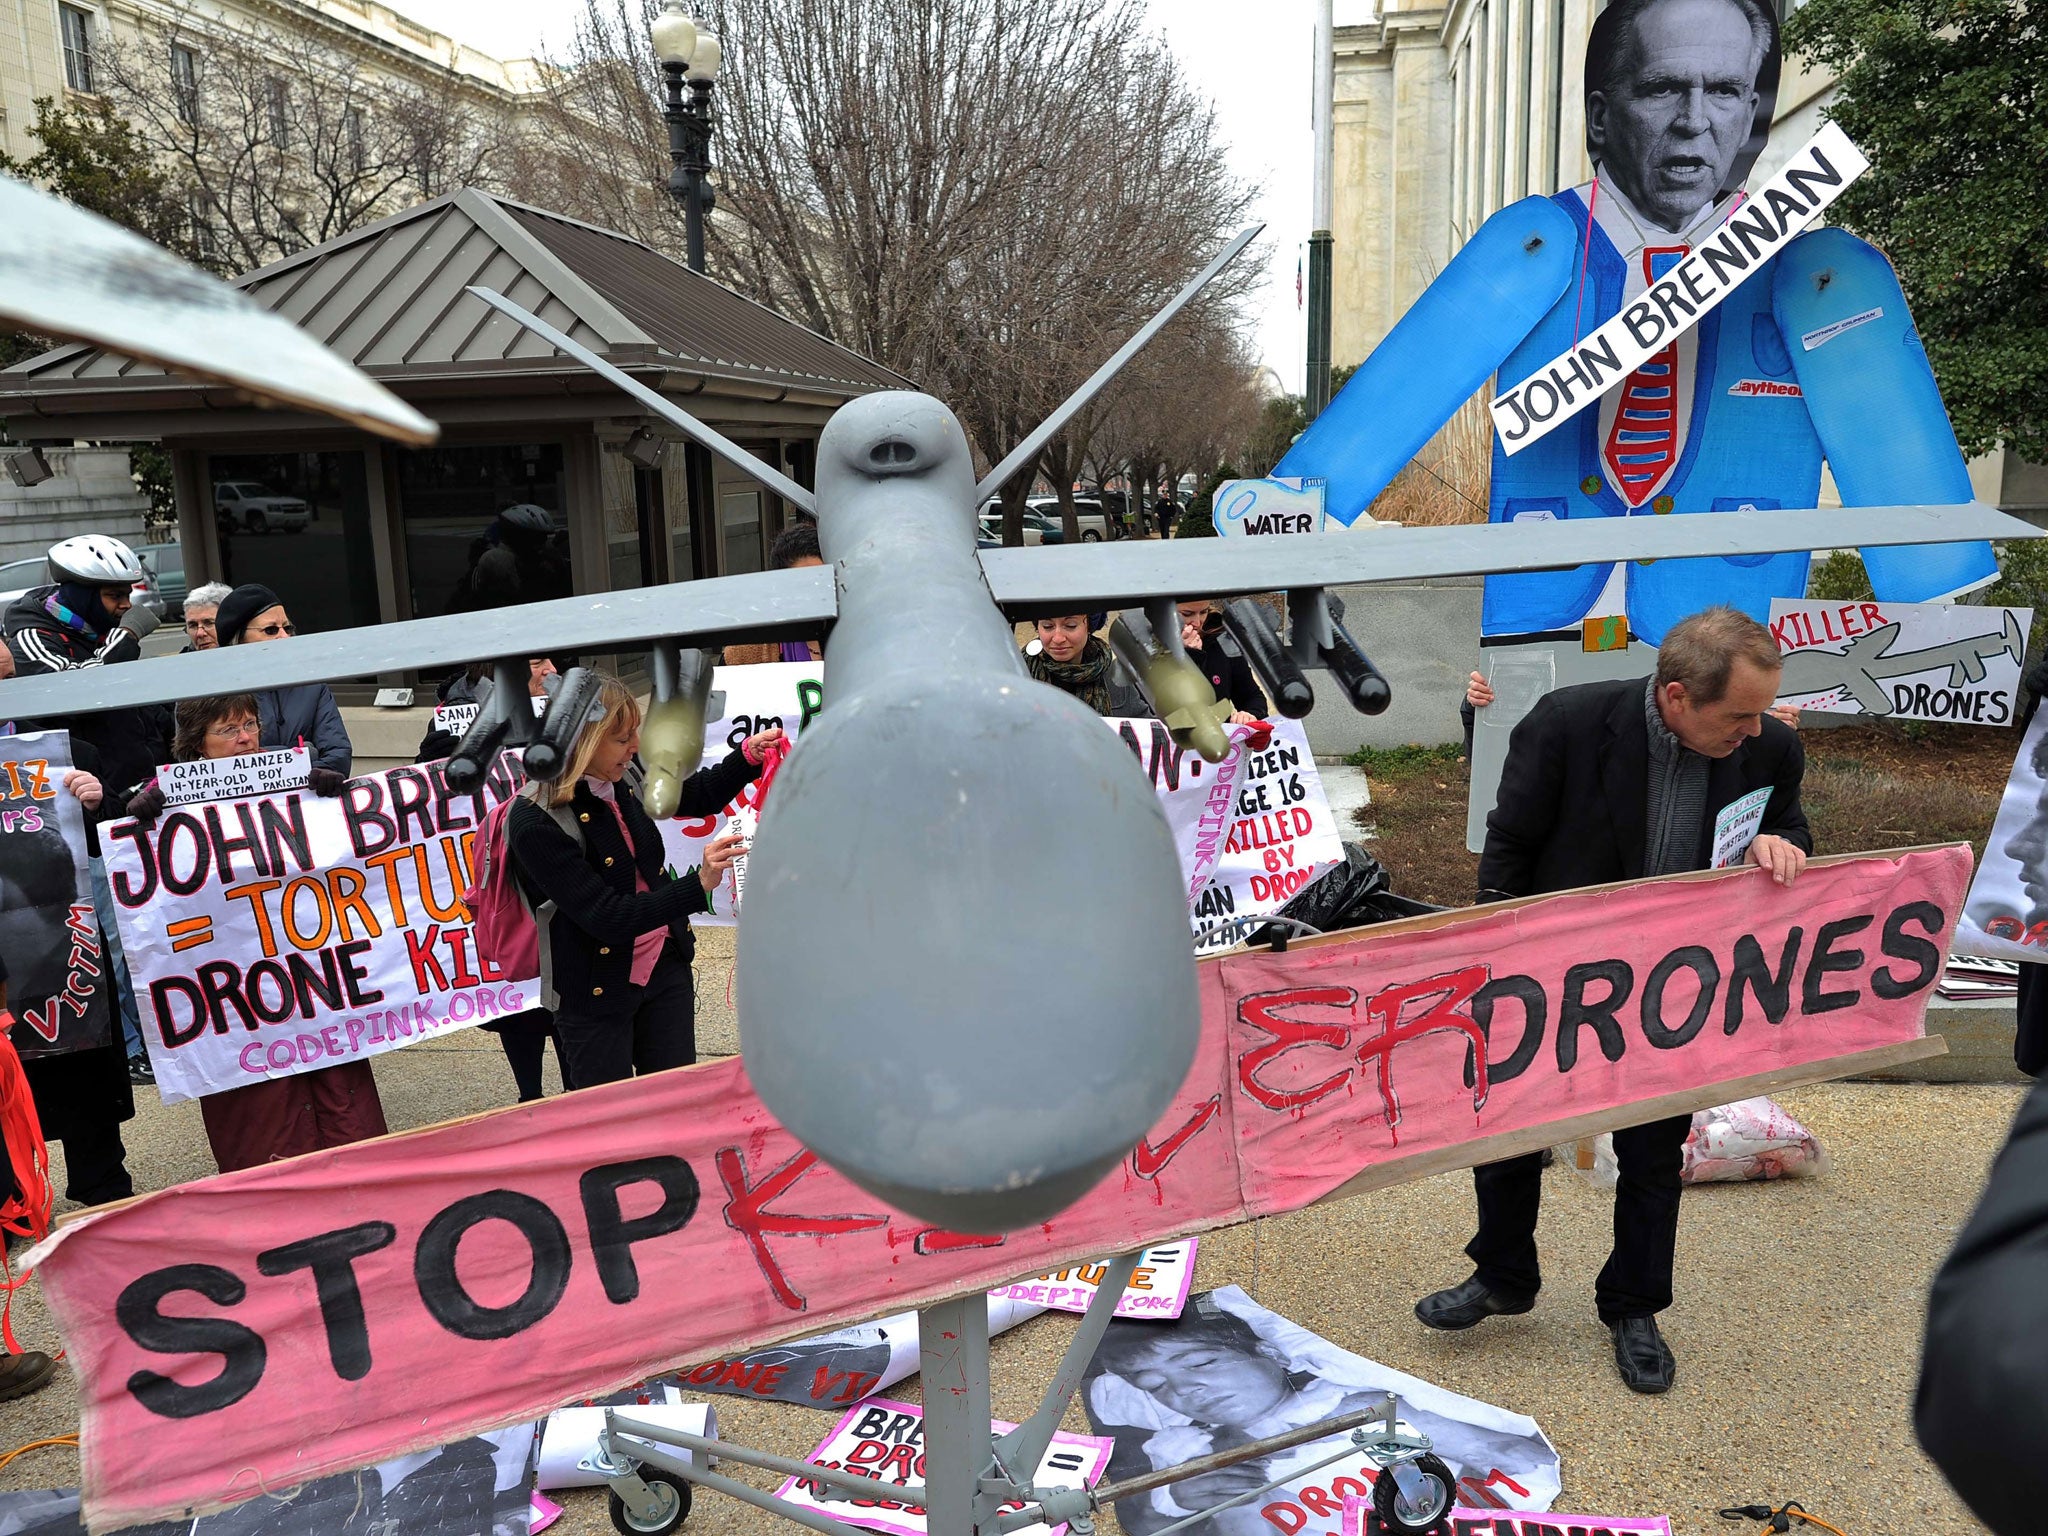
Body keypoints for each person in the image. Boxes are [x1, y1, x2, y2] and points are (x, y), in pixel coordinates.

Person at [1416, 606, 1810, 1394]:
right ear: (1674, 697)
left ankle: (1633, 1305)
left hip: (1677, 985)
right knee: (1508, 1133)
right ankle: (1503, 1275)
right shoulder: (1568, 723)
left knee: (1653, 1151)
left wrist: (1783, 841)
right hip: (1553, 972)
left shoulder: (1770, 747)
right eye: (1737, 714)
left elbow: (1790, 824)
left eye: (1761, 710)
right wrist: (1501, 959)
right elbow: (1511, 841)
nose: (1753, 729)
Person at [124, 696, 388, 1173]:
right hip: (237, 1004)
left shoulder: (296, 785)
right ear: (196, 745)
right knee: (264, 1129)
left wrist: (330, 796)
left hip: (315, 988)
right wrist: (136, 818)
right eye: (228, 730)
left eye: (250, 724)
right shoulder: (165, 803)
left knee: (345, 1116)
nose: (245, 737)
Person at [508, 674, 774, 1090]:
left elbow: (696, 794)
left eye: (636, 733)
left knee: (674, 1105)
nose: (636, 745)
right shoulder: (535, 820)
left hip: (663, 970)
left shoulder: (623, 774)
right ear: (582, 740)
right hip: (595, 990)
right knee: (608, 1126)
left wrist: (747, 758)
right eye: (622, 737)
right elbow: (607, 916)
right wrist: (698, 884)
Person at [9, 762, 138, 1208]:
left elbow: (120, 835)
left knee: (83, 1041)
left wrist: (99, 803)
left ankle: (100, 1178)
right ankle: (11, 1198)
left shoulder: (61, 752)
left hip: (63, 929)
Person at [211, 584, 352, 782]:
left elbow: (338, 755)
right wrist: (305, 753)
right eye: (270, 630)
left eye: (288, 628)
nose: (285, 637)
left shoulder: (311, 684)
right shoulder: (209, 692)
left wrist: (270, 758)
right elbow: (204, 766)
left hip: (307, 799)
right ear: (238, 641)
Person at [725, 521, 826, 665]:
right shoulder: (749, 649)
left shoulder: (855, 636)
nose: (815, 592)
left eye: (821, 579)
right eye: (803, 584)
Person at [447, 503, 572, 615]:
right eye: (538, 539)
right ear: (520, 538)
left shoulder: (545, 561)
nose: (542, 545)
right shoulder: (498, 562)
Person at [1024, 615, 1149, 717]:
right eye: (1048, 626)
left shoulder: (1115, 677)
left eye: (1070, 626)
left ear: (1089, 626)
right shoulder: (1019, 673)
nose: (1058, 638)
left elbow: (1149, 732)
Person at [1177, 601, 1268, 721]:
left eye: (1204, 612)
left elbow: (1250, 695)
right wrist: (1188, 658)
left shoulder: (1221, 638)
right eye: (1187, 614)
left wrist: (1250, 715)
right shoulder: (1148, 646)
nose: (1198, 623)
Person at [180, 581, 232, 652]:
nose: (200, 633)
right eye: (193, 625)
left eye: (209, 623)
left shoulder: (248, 654)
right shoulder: (184, 661)